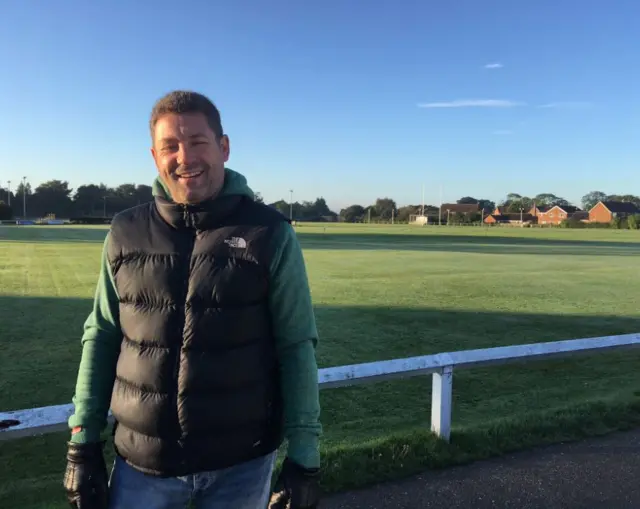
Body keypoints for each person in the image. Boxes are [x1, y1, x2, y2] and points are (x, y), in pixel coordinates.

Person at [62, 90, 322, 509]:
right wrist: (82, 442)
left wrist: (305, 459)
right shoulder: (125, 232)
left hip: (241, 465)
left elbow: (296, 345)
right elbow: (102, 335)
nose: (185, 158)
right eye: (170, 146)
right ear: (154, 155)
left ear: (223, 147)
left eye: (198, 142)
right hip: (142, 465)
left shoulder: (269, 233)